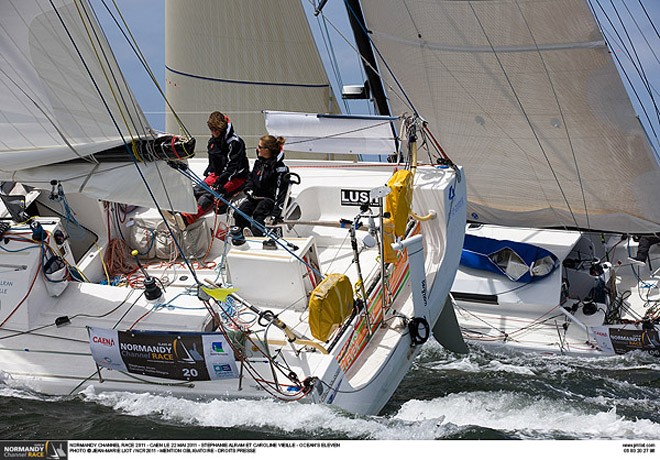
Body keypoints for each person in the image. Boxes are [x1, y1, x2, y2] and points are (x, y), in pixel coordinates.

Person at [175, 111, 249, 229]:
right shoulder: (212, 142)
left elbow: (233, 166)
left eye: (217, 130)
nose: (214, 133)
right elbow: (213, 162)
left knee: (211, 195)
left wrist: (221, 181)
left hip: (236, 178)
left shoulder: (235, 143)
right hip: (217, 175)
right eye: (212, 130)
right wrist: (210, 172)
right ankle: (177, 210)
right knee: (196, 190)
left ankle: (187, 218)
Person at [234, 135, 289, 236]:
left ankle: (258, 238)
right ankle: (243, 236)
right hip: (255, 197)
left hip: (269, 199)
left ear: (268, 149)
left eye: (260, 147)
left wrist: (276, 214)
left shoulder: (280, 168)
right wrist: (248, 189)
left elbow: (281, 192)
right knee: (239, 213)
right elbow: (251, 178)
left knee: (258, 216)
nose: (257, 149)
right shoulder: (259, 163)